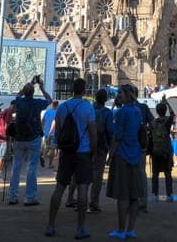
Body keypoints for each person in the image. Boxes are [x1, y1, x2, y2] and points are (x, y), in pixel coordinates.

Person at [45, 78, 96, 239]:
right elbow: (93, 133)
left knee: (59, 187)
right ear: (84, 90)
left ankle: (50, 225)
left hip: (67, 152)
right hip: (83, 152)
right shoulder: (87, 107)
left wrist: (62, 147)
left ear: (72, 89)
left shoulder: (62, 107)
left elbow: (58, 131)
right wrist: (93, 153)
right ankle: (80, 228)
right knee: (82, 188)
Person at [106, 84, 145, 240]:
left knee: (123, 195)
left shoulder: (122, 113)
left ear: (128, 94)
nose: (118, 95)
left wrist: (110, 155)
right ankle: (131, 229)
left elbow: (117, 137)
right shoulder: (137, 111)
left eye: (121, 92)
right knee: (134, 194)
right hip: (135, 154)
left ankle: (121, 230)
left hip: (122, 155)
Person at [8, 74, 52, 206]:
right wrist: (42, 88)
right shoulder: (37, 103)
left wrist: (30, 84)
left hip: (19, 138)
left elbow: (18, 94)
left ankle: (13, 197)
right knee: (32, 167)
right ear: (33, 93)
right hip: (33, 137)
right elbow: (49, 100)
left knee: (16, 167)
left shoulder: (19, 102)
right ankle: (29, 197)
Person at [88, 88, 113, 213]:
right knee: (97, 175)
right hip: (101, 146)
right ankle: (93, 202)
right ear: (106, 99)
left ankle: (78, 199)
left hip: (86, 145)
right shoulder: (107, 113)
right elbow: (110, 132)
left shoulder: (89, 109)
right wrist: (111, 148)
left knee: (83, 173)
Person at [149, 102, 177, 202]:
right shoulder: (167, 122)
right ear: (165, 110)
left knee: (155, 174)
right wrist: (168, 104)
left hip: (155, 151)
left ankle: (155, 194)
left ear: (157, 111)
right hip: (166, 151)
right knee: (168, 173)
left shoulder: (153, 122)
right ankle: (169, 194)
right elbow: (173, 115)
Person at [0, 100, 14, 182]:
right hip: (3, 137)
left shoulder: (4, 111)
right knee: (1, 157)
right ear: (14, 105)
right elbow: (6, 125)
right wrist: (8, 136)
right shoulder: (9, 111)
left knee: (0, 157)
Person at [41, 100, 59, 169]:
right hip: (54, 133)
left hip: (46, 133)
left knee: (47, 146)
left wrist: (43, 129)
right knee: (52, 149)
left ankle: (43, 155)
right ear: (57, 105)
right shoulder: (57, 113)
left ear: (52, 105)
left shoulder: (47, 112)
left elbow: (42, 121)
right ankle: (50, 164)